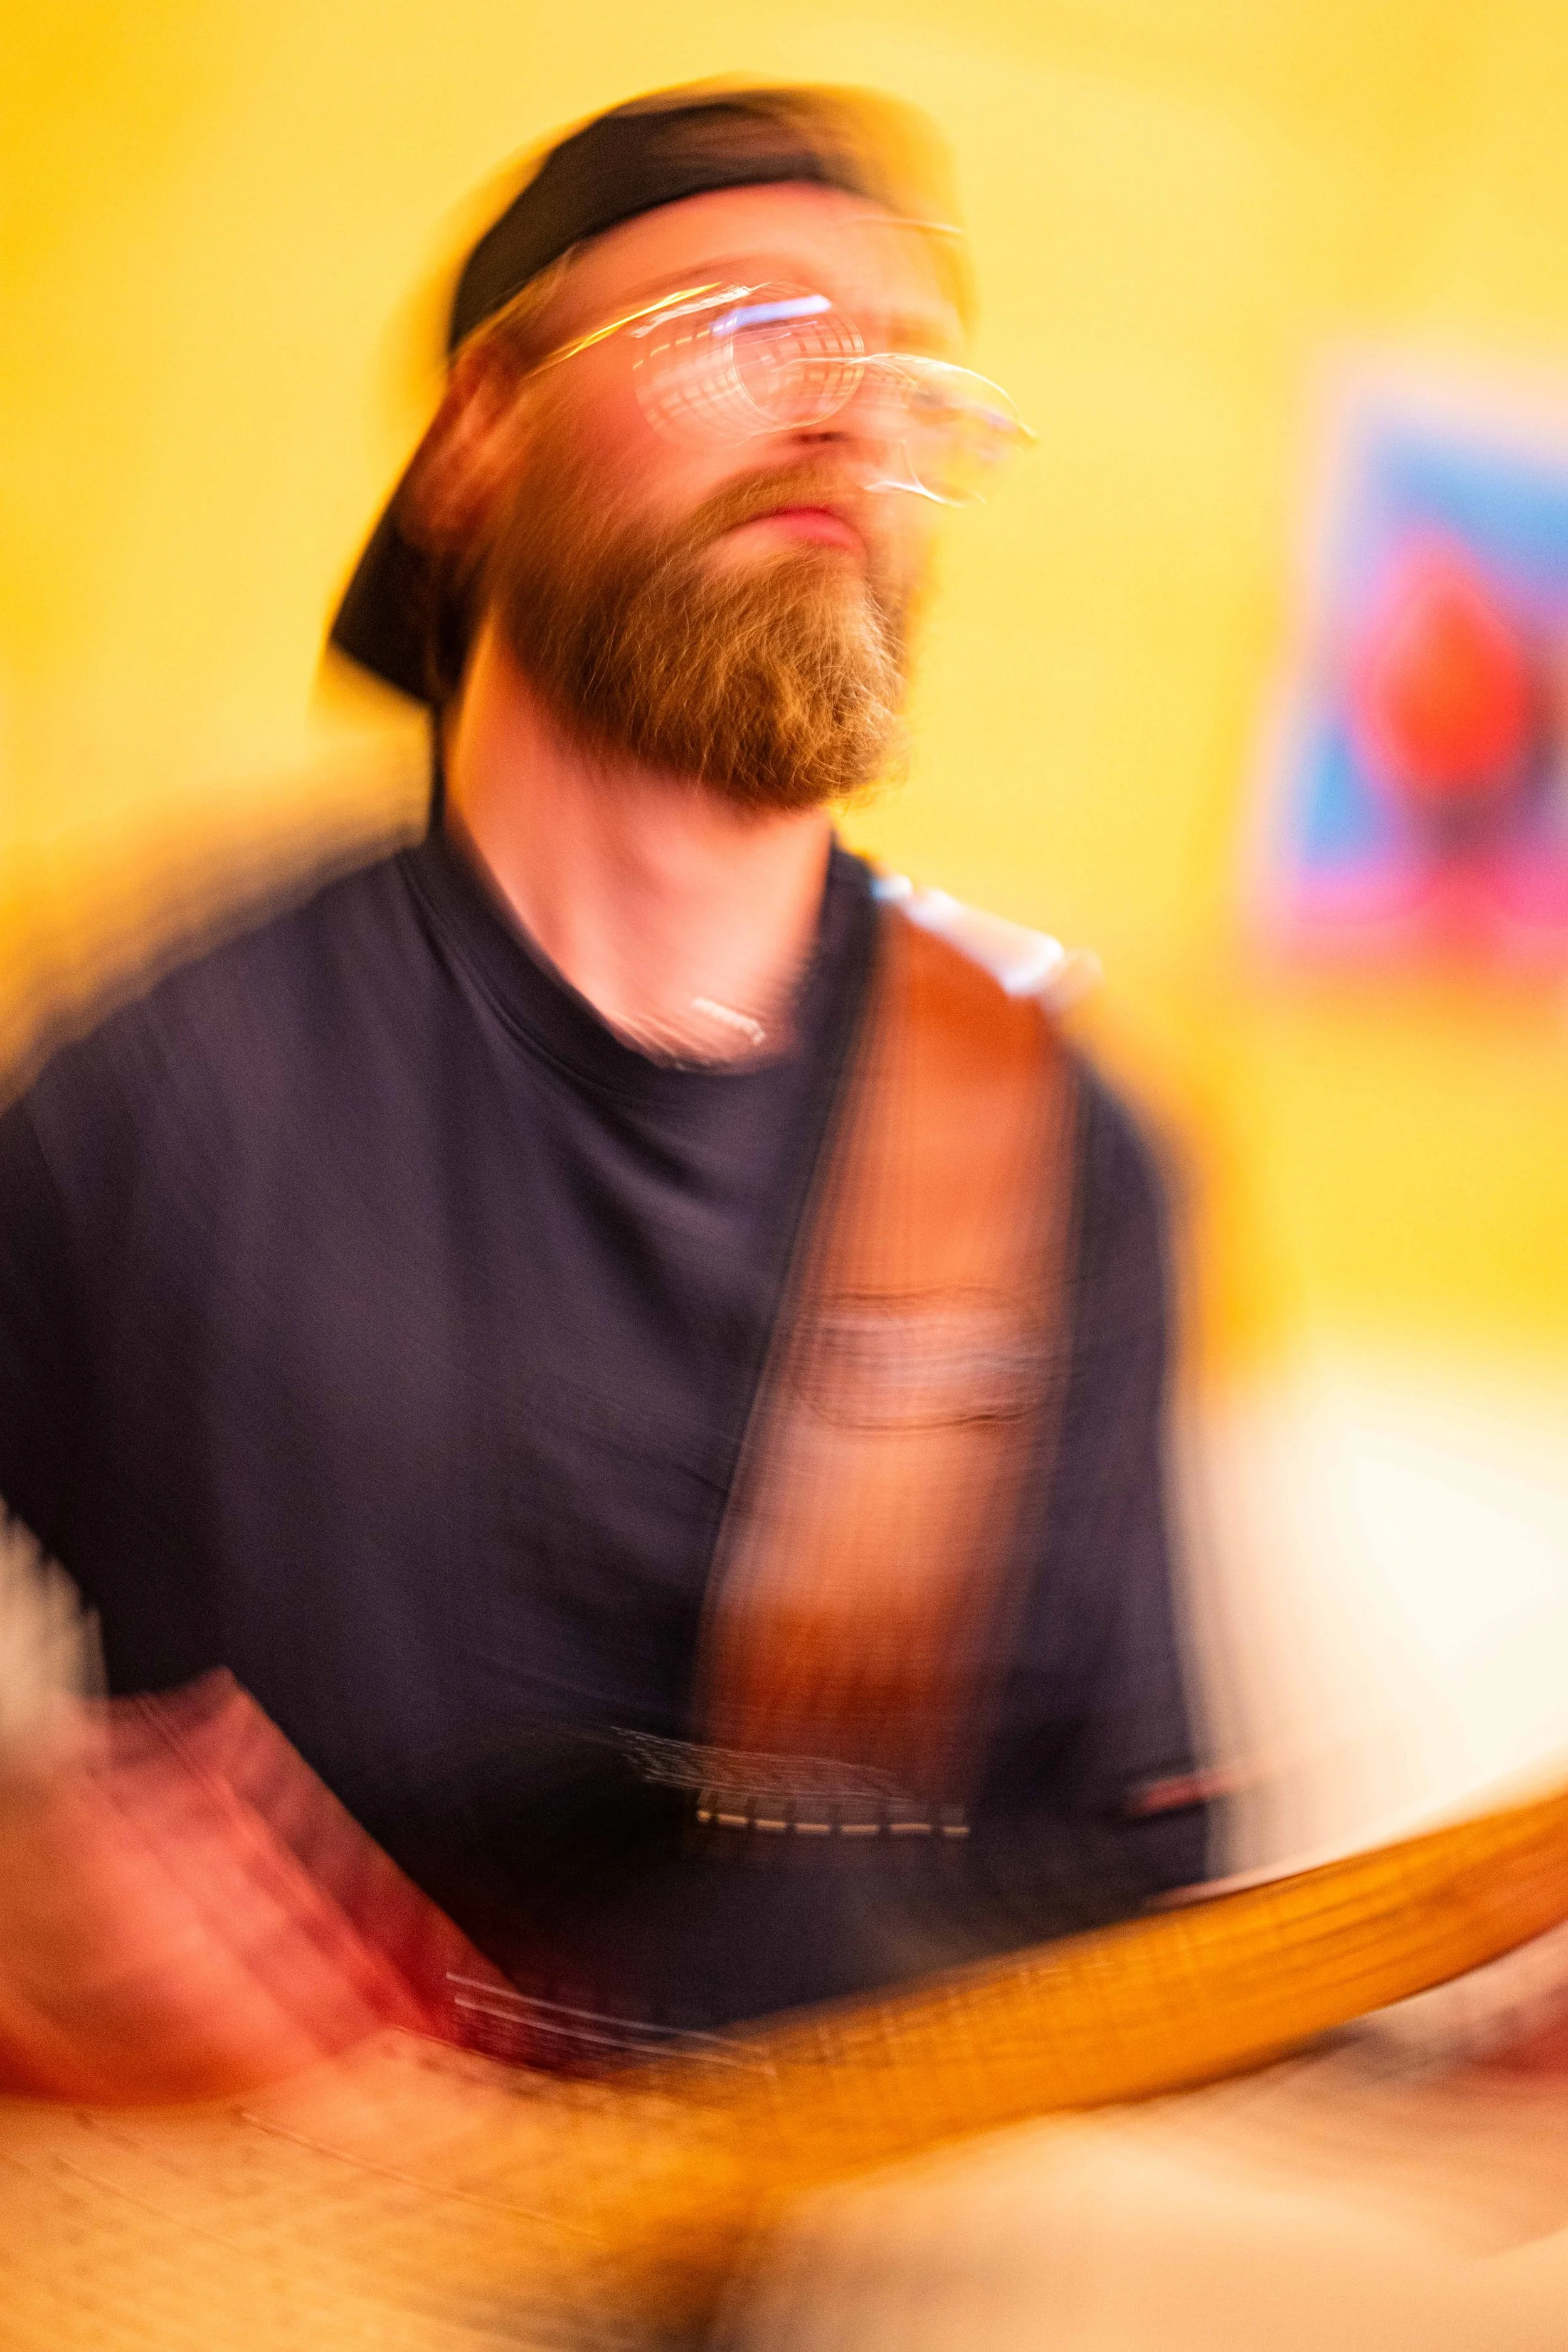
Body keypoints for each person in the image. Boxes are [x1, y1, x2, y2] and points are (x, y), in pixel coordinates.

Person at [0, 84, 1207, 2072]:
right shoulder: (159, 1087)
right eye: (752, 330)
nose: (851, 417)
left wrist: (1398, 2052)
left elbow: (1121, 1901)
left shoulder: (1058, 1141)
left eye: (912, 381)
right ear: (480, 432)